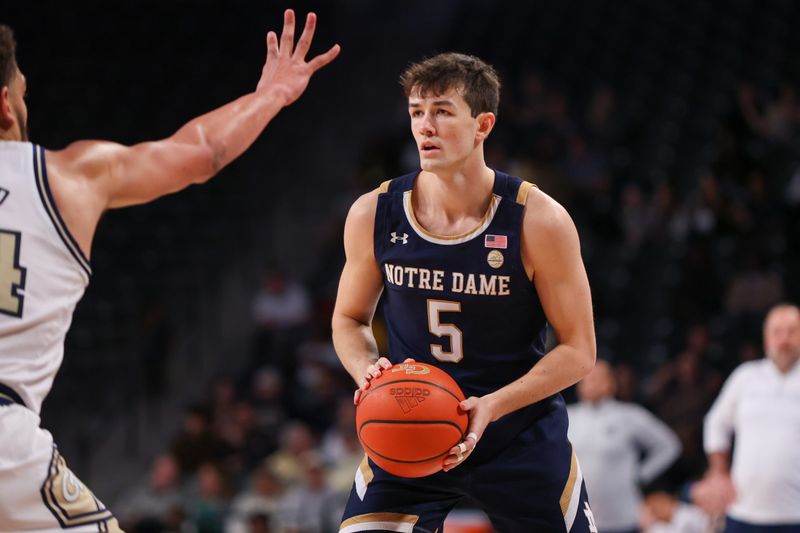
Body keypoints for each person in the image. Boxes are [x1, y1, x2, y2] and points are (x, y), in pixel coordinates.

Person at [0, 11, 338, 532]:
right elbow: (200, 152)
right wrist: (271, 95)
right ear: (6, 104)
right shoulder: (69, 175)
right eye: (22, 94)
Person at [332, 53, 597, 532]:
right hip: (410, 429)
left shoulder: (539, 221)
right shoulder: (374, 213)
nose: (425, 126)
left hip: (517, 436)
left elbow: (579, 351)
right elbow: (349, 320)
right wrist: (366, 373)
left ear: (483, 125)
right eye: (416, 112)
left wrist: (492, 405)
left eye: (442, 111)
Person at [696, 303, 800, 531]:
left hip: (795, 515)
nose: (784, 340)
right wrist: (718, 472)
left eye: (792, 331)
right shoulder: (745, 377)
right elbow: (715, 423)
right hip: (743, 511)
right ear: (766, 338)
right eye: (777, 332)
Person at [568, 360, 681, 533]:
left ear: (611, 383)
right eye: (586, 378)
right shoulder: (568, 416)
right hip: (578, 515)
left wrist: (640, 474)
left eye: (598, 378)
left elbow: (669, 445)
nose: (591, 383)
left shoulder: (629, 415)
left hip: (620, 517)